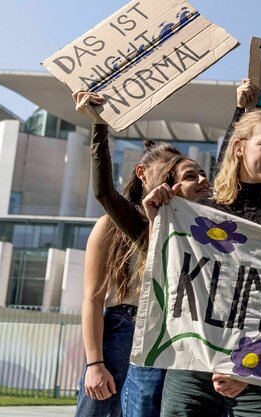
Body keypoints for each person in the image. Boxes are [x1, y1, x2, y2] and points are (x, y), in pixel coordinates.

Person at [145, 106, 261, 417]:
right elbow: (174, 282)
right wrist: (158, 223)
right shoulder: (198, 210)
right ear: (238, 147)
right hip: (193, 367)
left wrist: (247, 365)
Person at [73, 92, 210, 417]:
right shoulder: (115, 223)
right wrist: (95, 363)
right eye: (171, 173)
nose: (175, 181)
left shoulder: (194, 227)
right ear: (143, 173)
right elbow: (93, 298)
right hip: (123, 328)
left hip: (171, 331)